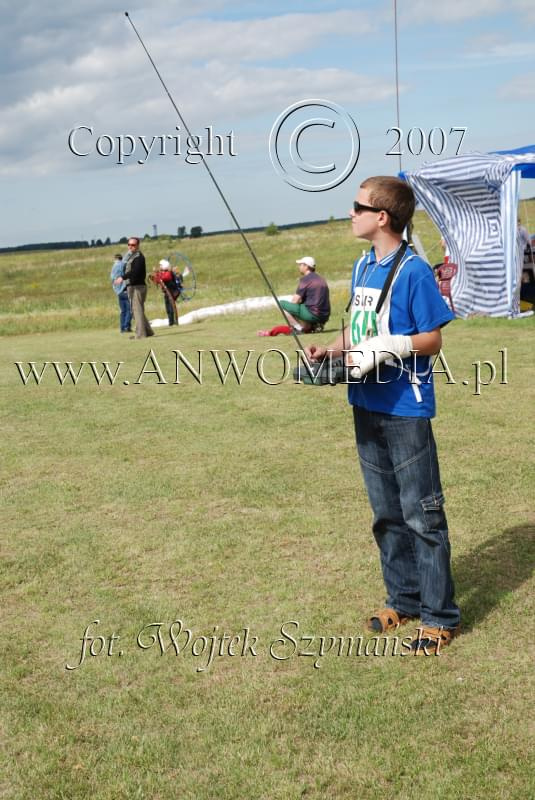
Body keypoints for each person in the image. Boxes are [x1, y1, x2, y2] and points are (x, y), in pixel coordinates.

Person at [306, 176, 461, 655]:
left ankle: (439, 617)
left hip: (404, 408)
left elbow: (432, 339)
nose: (349, 213)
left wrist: (391, 346)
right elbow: (358, 328)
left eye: (358, 206)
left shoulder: (413, 270)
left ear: (383, 218)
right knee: (386, 514)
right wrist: (329, 351)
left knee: (422, 513)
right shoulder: (360, 266)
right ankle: (405, 598)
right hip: (365, 403)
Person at [257, 256, 330, 336]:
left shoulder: (306, 279)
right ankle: (313, 326)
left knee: (281, 304)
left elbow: (295, 301)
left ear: (306, 266)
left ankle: (298, 329)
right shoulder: (321, 279)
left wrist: (293, 316)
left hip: (313, 314)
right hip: (324, 316)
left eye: (300, 265)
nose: (299, 267)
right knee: (300, 311)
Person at [115, 237, 154, 339]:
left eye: (133, 245)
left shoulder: (139, 257)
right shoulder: (131, 257)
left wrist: (122, 278)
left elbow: (135, 272)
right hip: (132, 286)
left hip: (138, 287)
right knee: (137, 310)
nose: (130, 247)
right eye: (129, 244)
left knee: (137, 310)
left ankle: (140, 334)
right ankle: (148, 331)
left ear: (138, 245)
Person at [151, 259, 183, 326]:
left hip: (172, 292)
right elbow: (158, 280)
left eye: (160, 265)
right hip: (167, 293)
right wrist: (154, 277)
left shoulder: (168, 273)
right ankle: (170, 322)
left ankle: (174, 322)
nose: (159, 267)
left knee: (171, 307)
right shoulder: (163, 273)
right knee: (168, 308)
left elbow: (163, 278)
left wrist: (156, 273)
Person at [110, 253, 132, 333]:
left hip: (118, 291)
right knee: (129, 309)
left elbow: (112, 279)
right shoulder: (123, 264)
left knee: (123, 310)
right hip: (124, 289)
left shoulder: (113, 267)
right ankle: (127, 327)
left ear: (115, 259)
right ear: (121, 258)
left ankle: (122, 328)